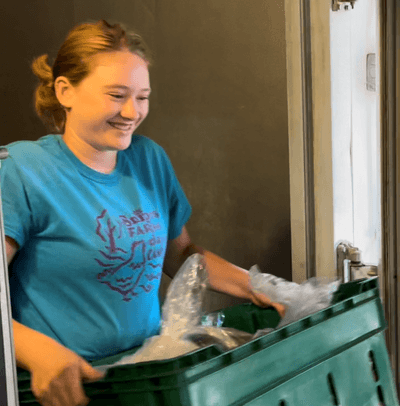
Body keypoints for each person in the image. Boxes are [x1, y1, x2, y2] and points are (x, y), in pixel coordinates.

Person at [1, 20, 285, 406]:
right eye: (117, 95)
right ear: (65, 90)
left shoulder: (149, 158)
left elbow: (182, 255)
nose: (132, 112)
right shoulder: (21, 171)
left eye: (143, 97)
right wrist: (37, 352)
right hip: (71, 389)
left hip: (148, 377)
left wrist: (258, 286)